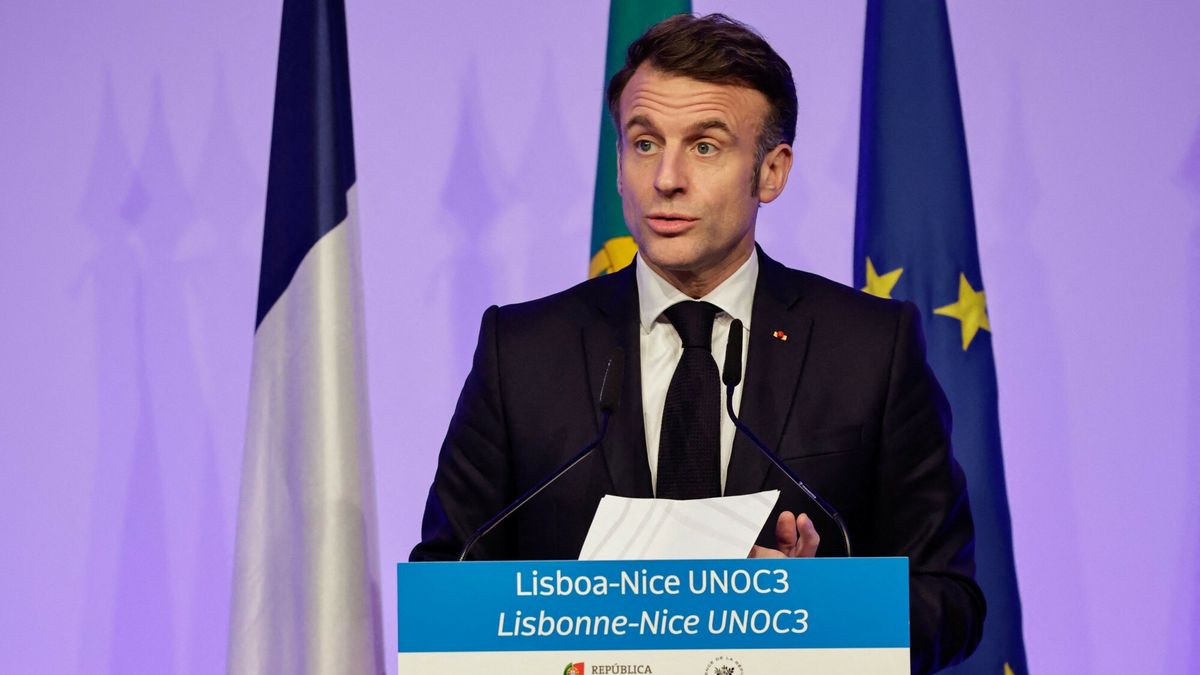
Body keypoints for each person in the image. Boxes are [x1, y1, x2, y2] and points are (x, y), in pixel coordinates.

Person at [411, 13, 984, 673]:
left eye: (706, 146)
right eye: (645, 142)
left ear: (771, 171)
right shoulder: (521, 351)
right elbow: (447, 584)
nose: (666, 178)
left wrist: (820, 608)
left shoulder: (870, 348)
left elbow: (952, 597)